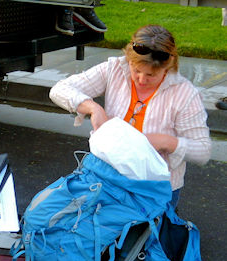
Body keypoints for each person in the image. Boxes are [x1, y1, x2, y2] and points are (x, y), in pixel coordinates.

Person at [49, 24, 211, 209]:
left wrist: (166, 142)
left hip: (153, 190)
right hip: (107, 178)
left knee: (139, 237)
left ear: (167, 67)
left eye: (151, 75)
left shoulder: (185, 94)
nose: (141, 80)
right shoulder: (115, 69)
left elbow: (203, 151)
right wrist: (93, 108)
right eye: (136, 70)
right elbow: (59, 90)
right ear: (129, 59)